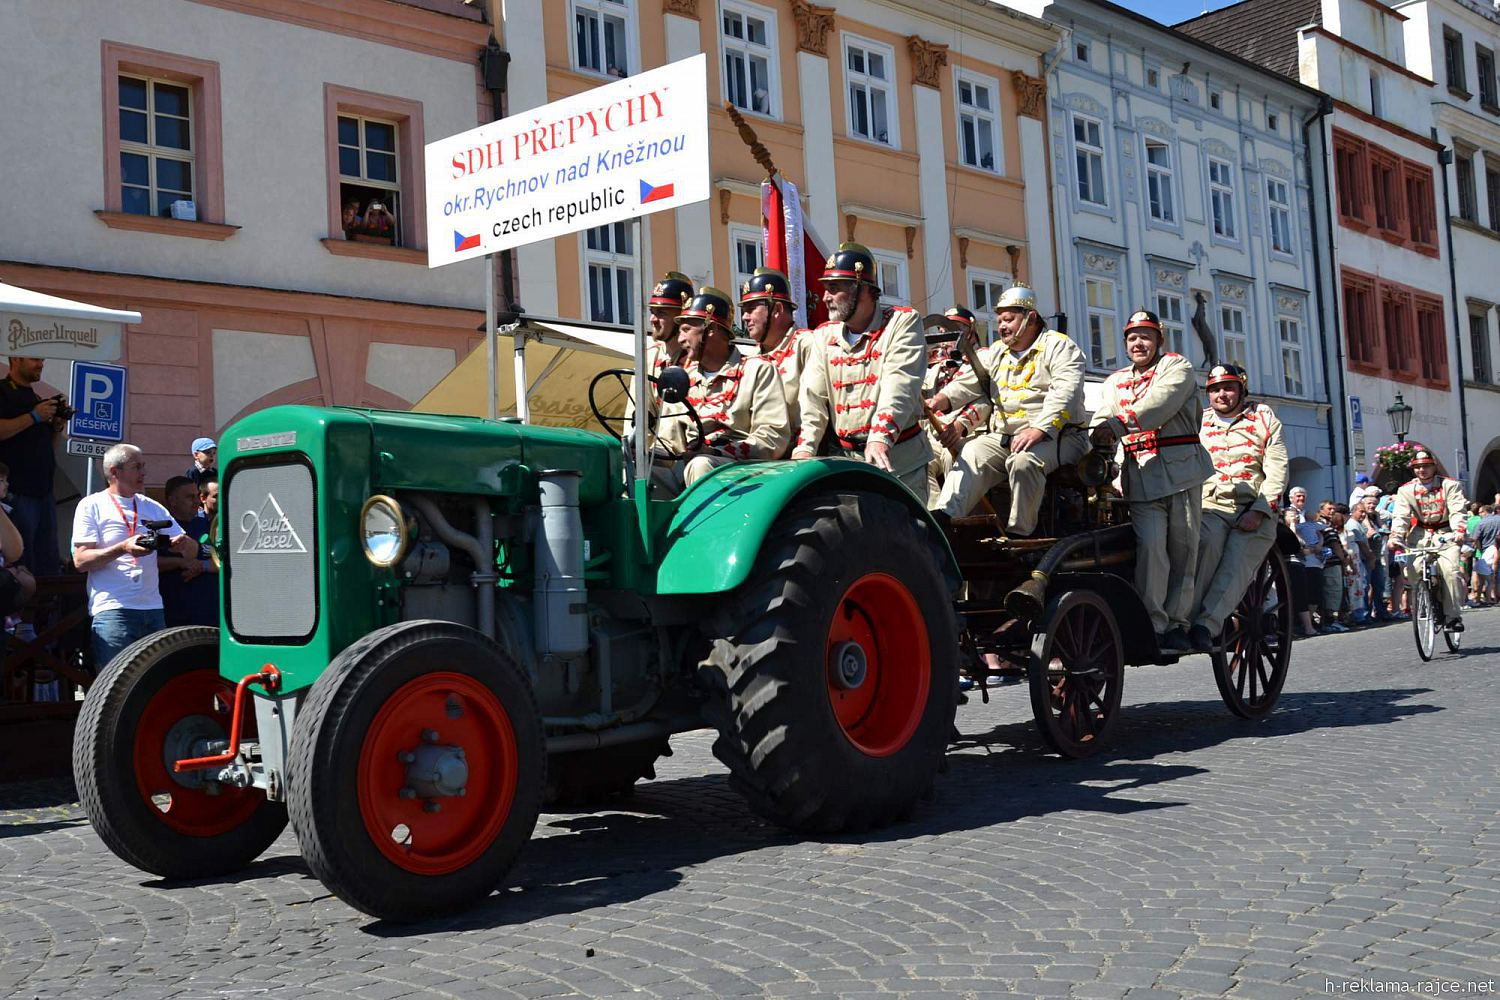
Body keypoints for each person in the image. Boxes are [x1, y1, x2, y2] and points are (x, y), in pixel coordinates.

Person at [1089, 310, 1213, 652]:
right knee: (1151, 550)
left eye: (1146, 336)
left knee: (1183, 550)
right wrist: (1095, 448)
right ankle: (1154, 624)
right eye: (1132, 338)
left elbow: (1160, 405)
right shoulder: (1113, 382)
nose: (1138, 343)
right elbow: (1101, 419)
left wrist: (1116, 426)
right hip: (1140, 475)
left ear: (1159, 340)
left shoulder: (1177, 367)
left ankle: (1178, 623)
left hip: (1182, 471)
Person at [930, 285, 1088, 536]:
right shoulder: (997, 351)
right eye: (1000, 320)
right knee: (971, 451)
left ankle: (1019, 534)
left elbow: (1065, 394)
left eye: (1008, 319)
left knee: (1024, 461)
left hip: (1060, 436)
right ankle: (945, 519)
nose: (1002, 326)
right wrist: (939, 400)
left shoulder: (1060, 347)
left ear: (1031, 318)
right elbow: (968, 383)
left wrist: (1039, 429)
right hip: (1006, 437)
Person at [794, 242, 930, 500]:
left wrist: (880, 438)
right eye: (826, 288)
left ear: (862, 289)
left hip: (899, 463)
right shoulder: (824, 335)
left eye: (834, 288)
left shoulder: (902, 323)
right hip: (844, 464)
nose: (825, 297)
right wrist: (805, 450)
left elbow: (899, 385)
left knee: (902, 525)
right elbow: (813, 398)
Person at [1186, 364, 1288, 651]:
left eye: (1228, 388)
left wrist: (1260, 510)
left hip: (1253, 507)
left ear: (1242, 390)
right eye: (1215, 389)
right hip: (1210, 505)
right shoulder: (1198, 421)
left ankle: (1206, 625)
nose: (1222, 394)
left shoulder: (1264, 419)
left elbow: (1277, 469)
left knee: (1236, 560)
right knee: (1202, 545)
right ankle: (1184, 621)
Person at [71, 443, 197, 669]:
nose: (144, 472)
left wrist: (184, 544)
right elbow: (80, 561)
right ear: (114, 472)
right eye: (136, 467)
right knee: (116, 684)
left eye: (143, 466)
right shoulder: (91, 505)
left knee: (155, 682)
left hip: (153, 609)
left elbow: (192, 551)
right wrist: (123, 548)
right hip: (113, 611)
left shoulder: (151, 506)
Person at [652, 288, 788, 495]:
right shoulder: (684, 377)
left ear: (711, 329)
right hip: (687, 467)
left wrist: (716, 451)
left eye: (686, 329)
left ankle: (706, 518)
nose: (680, 339)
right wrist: (641, 454)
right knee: (639, 470)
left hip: (743, 472)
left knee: (701, 464)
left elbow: (772, 437)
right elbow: (670, 441)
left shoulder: (757, 370)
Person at [0, 356, 67, 575]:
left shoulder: (35, 398)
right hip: (16, 493)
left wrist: (56, 427)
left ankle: (47, 597)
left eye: (42, 360)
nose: (41, 365)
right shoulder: (3, 391)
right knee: (21, 562)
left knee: (47, 563)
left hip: (44, 493)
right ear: (16, 359)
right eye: (35, 359)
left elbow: (49, 448)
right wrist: (34, 416)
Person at [1390, 450, 1469, 631]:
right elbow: (1401, 516)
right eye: (1417, 467)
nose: (1422, 470)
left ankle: (1452, 616)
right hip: (1420, 534)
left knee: (1450, 571)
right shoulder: (1406, 490)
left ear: (1434, 466)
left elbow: (1457, 510)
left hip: (1446, 532)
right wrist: (1396, 536)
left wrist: (1459, 530)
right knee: (1414, 570)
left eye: (1426, 466)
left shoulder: (1449, 485)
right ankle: (1427, 602)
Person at [739, 267, 813, 451]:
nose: (744, 317)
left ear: (777, 309)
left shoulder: (807, 345)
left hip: (804, 456)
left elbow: (816, 408)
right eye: (744, 310)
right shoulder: (750, 360)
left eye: (751, 309)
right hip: (758, 455)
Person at [921, 307, 991, 500]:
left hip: (971, 434)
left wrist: (961, 425)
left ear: (971, 331)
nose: (947, 336)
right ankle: (935, 513)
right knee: (918, 461)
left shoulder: (982, 358)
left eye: (956, 328)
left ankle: (958, 514)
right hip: (936, 435)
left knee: (952, 457)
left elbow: (985, 399)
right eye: (942, 331)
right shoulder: (935, 366)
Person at [624, 271, 694, 436]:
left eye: (661, 313)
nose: (652, 319)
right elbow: (636, 414)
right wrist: (631, 445)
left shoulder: (697, 360)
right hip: (653, 449)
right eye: (652, 311)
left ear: (681, 317)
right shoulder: (648, 358)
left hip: (688, 447)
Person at [157, 476, 218, 628]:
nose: (197, 502)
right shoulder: (160, 528)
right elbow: (148, 563)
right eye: (190, 497)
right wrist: (180, 563)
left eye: (197, 496)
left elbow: (224, 561)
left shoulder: (207, 525)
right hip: (174, 616)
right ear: (173, 501)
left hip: (210, 615)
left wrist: (201, 566)